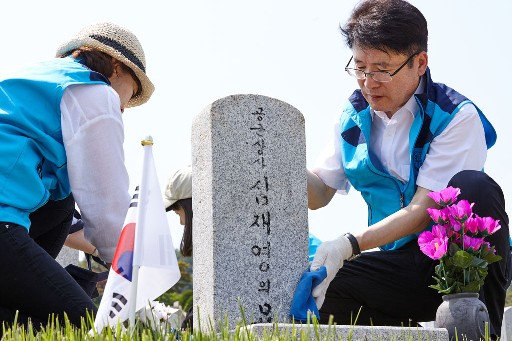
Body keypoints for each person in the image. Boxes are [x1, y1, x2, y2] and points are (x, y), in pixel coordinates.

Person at [306, 0, 510, 339]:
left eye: (383, 69)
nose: (369, 83)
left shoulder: (456, 116)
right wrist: (276, 164)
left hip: (454, 263)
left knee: (475, 188)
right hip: (397, 266)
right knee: (321, 282)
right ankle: (407, 334)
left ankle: (480, 334)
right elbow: (320, 192)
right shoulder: (353, 116)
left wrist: (350, 243)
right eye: (360, 67)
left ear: (419, 63)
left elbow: (422, 211)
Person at [0, 22, 154, 328]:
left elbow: (71, 213)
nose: (123, 107)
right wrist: (126, 270)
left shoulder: (36, 77)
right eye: (130, 94)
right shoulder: (93, 91)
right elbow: (104, 199)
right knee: (85, 324)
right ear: (116, 67)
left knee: (61, 202)